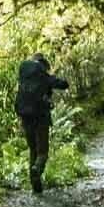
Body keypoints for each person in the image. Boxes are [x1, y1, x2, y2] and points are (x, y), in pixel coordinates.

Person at [13, 54, 71, 193]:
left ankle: (36, 186)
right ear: (42, 64)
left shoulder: (24, 76)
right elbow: (63, 84)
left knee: (33, 150)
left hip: (26, 117)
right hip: (41, 117)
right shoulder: (44, 77)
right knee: (42, 152)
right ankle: (37, 169)